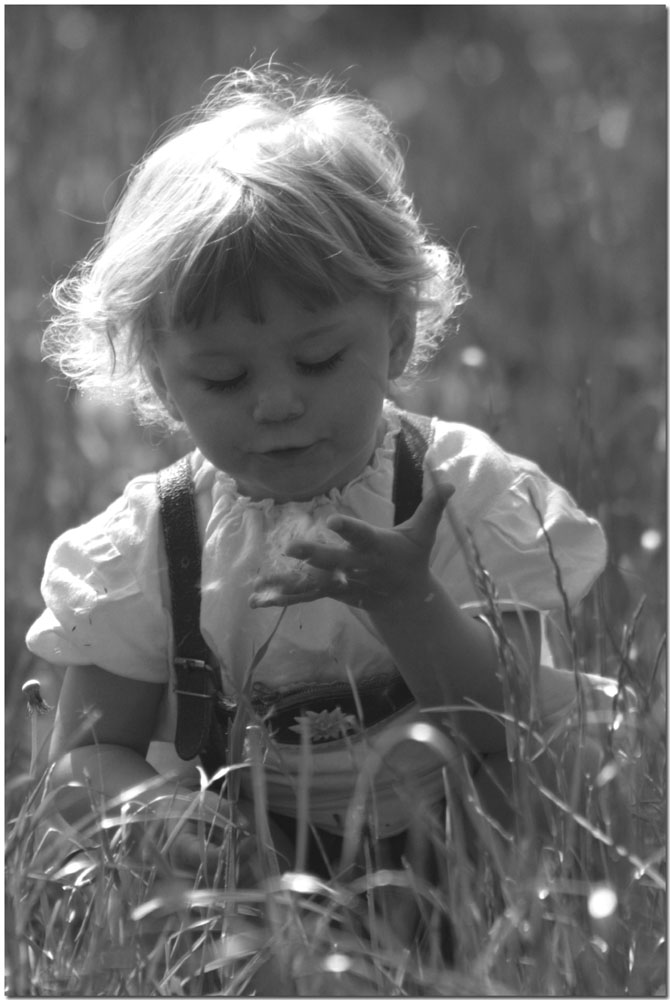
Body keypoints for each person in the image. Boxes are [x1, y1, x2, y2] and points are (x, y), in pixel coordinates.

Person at [27, 66, 610, 902]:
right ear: (161, 385)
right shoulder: (158, 544)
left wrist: (405, 598)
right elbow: (81, 757)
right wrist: (156, 815)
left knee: (559, 779)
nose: (276, 403)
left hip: (461, 818)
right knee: (186, 918)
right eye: (223, 379)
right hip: (256, 851)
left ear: (400, 337)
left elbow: (501, 721)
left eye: (319, 358)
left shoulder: (458, 493)